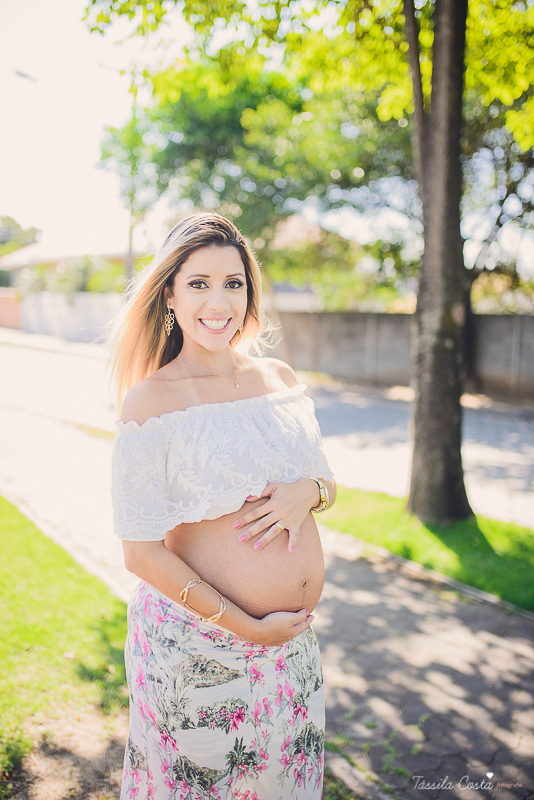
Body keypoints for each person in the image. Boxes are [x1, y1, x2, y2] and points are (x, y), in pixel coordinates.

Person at [108, 212, 336, 800]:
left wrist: (308, 490)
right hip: (199, 652)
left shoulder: (279, 379)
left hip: (290, 651)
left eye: (233, 283)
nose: (219, 300)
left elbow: (328, 482)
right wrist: (247, 628)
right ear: (170, 297)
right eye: (199, 283)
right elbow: (140, 552)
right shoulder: (150, 403)